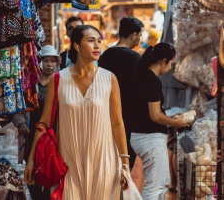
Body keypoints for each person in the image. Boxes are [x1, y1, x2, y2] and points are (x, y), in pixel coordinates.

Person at [25, 25, 130, 199]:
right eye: (90, 41)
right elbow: (44, 122)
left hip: (103, 159)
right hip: (68, 161)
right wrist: (31, 160)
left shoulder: (109, 79)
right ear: (76, 45)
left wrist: (125, 163)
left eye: (99, 41)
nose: (97, 46)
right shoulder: (58, 79)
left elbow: (118, 123)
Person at [130, 43, 189, 199]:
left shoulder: (141, 75)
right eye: (170, 63)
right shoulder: (152, 80)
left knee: (160, 182)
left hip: (140, 135)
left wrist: (170, 119)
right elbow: (155, 115)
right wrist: (178, 122)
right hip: (149, 137)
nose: (170, 67)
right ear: (163, 61)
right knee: (155, 186)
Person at [13, 45, 61, 200]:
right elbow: (18, 107)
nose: (49, 64)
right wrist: (20, 123)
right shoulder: (30, 85)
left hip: (53, 136)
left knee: (50, 170)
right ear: (39, 62)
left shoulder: (61, 84)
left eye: (52, 61)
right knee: (32, 171)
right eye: (46, 60)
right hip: (32, 134)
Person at [98, 16, 144, 170]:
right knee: (125, 160)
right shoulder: (135, 58)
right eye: (140, 35)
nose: (139, 39)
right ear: (134, 35)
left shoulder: (105, 56)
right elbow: (139, 90)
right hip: (128, 117)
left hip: (106, 113)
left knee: (108, 158)